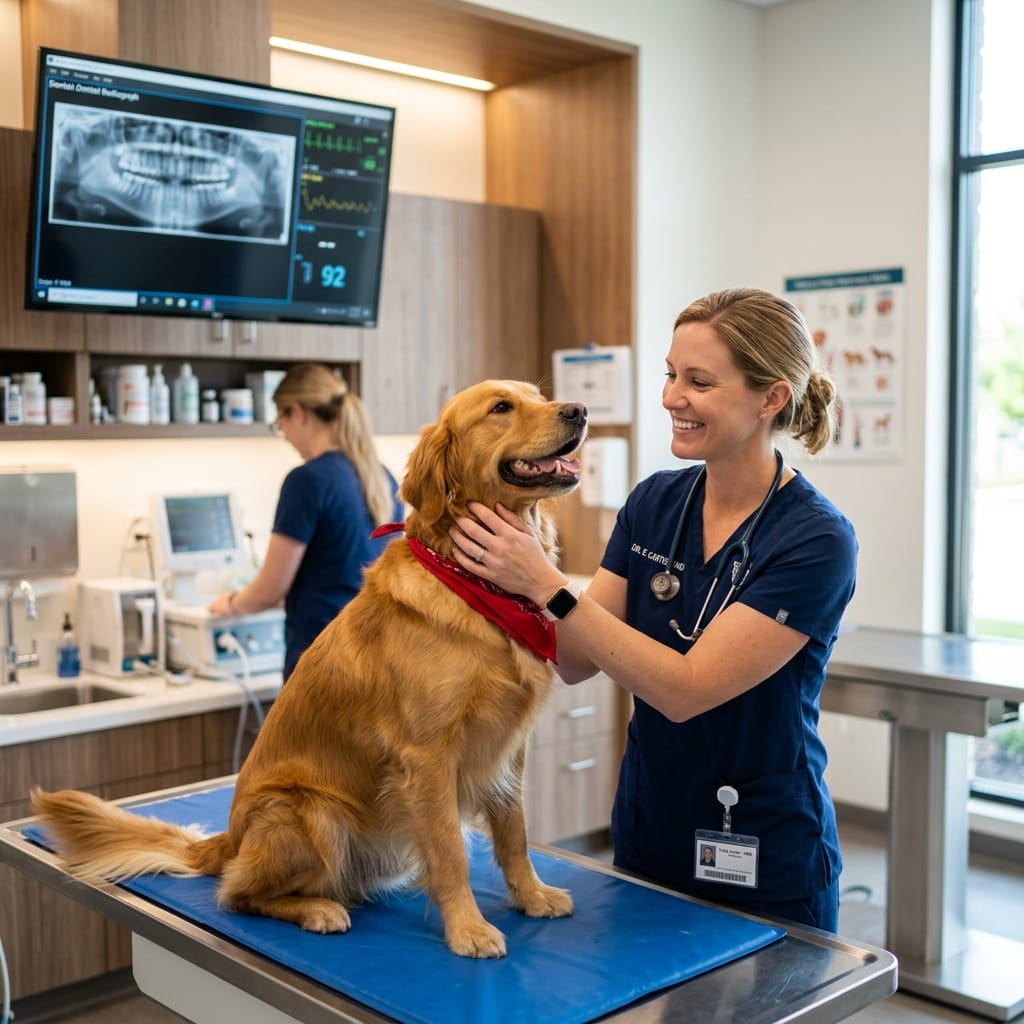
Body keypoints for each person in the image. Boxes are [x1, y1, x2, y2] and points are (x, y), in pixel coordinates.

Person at [448, 288, 858, 932]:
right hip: (651, 826)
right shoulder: (656, 502)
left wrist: (544, 582)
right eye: (671, 375)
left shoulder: (815, 539)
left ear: (771, 398)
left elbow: (684, 690)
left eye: (698, 381)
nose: (672, 397)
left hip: (759, 843)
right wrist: (493, 577)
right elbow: (579, 659)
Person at [210, 363, 403, 679]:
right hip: (378, 659)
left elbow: (269, 589)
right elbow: (349, 571)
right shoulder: (382, 477)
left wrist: (230, 603)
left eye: (280, 422)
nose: (283, 434)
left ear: (298, 413)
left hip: (322, 664)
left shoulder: (307, 481)